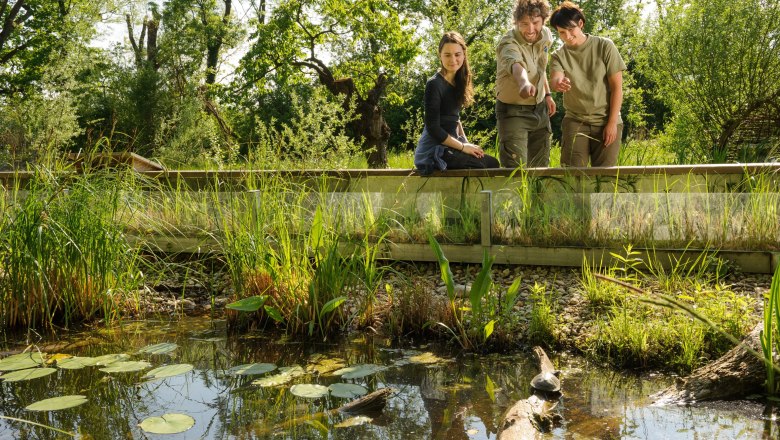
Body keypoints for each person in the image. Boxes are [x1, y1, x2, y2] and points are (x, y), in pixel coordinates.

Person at [549, 1, 626, 167]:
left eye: (571, 30)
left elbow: (617, 88)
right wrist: (558, 83)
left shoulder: (605, 46)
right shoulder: (558, 55)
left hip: (607, 120)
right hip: (575, 121)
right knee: (573, 177)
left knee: (604, 179)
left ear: (580, 24)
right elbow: (555, 79)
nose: (567, 36)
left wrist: (612, 123)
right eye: (562, 32)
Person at [414, 32, 499, 175]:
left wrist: (467, 143)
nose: (453, 59)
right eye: (447, 55)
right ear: (440, 55)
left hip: (453, 147)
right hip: (434, 151)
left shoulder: (459, 81)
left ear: (464, 54)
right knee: (486, 165)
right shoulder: (434, 84)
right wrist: (462, 147)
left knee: (492, 163)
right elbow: (433, 128)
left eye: (457, 54)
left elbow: (456, 118)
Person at [495, 0, 556, 168]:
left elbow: (540, 67)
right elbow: (516, 64)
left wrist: (548, 94)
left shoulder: (546, 35)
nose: (530, 30)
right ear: (516, 23)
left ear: (543, 20)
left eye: (535, 23)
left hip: (540, 110)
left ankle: (536, 196)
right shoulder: (507, 42)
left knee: (540, 169)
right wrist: (524, 83)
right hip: (513, 112)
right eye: (524, 24)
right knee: (515, 172)